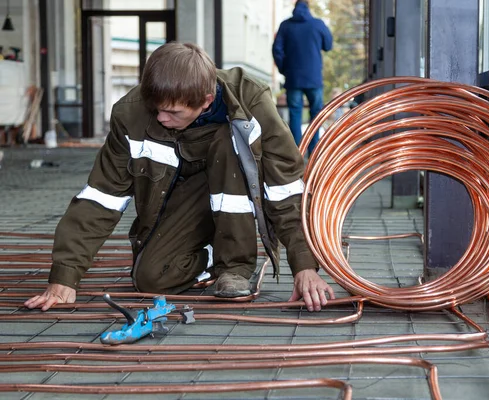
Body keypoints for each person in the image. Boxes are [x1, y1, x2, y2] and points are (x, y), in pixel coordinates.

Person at [24, 42, 335, 312]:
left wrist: (304, 265)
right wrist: (63, 279)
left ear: (206, 101)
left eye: (172, 113)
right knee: (150, 278)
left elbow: (285, 188)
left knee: (229, 142)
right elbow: (100, 198)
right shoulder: (130, 115)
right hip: (179, 206)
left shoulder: (250, 103)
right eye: (156, 109)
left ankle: (235, 265)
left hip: (233, 191)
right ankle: (212, 254)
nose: (160, 118)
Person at [272, 0, 332, 156]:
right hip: (314, 78)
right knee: (316, 114)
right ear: (308, 7)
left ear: (295, 7)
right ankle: (313, 151)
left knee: (295, 113)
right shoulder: (317, 24)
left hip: (293, 78)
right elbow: (328, 45)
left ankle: (296, 153)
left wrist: (284, 68)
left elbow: (276, 50)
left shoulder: (285, 25)